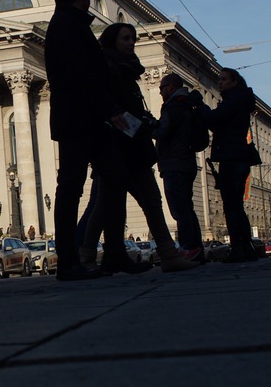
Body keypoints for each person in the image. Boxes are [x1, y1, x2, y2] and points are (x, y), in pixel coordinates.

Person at [81, 23, 198, 274]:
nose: (132, 42)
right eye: (126, 38)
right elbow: (109, 107)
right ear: (113, 41)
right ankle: (87, 256)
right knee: (105, 205)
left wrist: (141, 121)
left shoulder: (126, 68)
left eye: (133, 38)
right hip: (116, 146)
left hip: (133, 147)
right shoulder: (108, 68)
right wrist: (132, 122)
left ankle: (167, 254)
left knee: (150, 201)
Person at [44, 0, 123, 281]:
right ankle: (70, 260)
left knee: (111, 179)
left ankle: (108, 253)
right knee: (72, 189)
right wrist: (112, 109)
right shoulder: (66, 26)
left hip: (86, 118)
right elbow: (82, 78)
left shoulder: (70, 24)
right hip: (82, 119)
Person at [152, 73, 208, 262]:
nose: (160, 91)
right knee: (186, 207)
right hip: (186, 162)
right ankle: (196, 248)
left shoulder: (175, 106)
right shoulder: (186, 104)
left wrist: (148, 124)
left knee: (179, 209)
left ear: (172, 86)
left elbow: (162, 131)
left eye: (162, 87)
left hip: (175, 162)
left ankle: (188, 247)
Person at [205, 67, 258, 263]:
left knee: (231, 206)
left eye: (223, 79)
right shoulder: (239, 100)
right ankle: (246, 247)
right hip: (238, 156)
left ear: (234, 82)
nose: (219, 82)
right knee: (236, 205)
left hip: (232, 156)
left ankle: (238, 248)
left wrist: (200, 107)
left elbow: (213, 118)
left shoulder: (233, 100)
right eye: (219, 79)